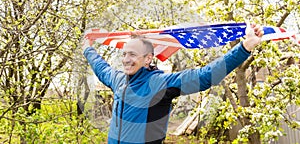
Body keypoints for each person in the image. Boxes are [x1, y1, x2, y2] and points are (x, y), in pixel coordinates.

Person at [82, 24, 264, 144]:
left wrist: (244, 47)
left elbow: (205, 76)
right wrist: (88, 49)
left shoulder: (160, 83)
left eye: (133, 54)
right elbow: (101, 67)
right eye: (125, 54)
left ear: (148, 59)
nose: (126, 60)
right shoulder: (118, 80)